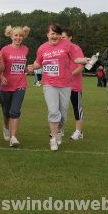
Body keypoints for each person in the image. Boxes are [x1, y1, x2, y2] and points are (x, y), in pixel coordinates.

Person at [28, 23, 88, 151]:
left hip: (66, 84)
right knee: (54, 111)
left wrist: (83, 60)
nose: (54, 36)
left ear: (60, 35)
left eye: (56, 33)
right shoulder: (42, 48)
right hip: (49, 84)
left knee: (63, 115)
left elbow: (75, 59)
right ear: (47, 34)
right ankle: (54, 138)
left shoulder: (67, 45)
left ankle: (59, 130)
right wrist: (32, 67)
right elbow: (38, 62)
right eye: (52, 33)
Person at [0, 25, 30, 147]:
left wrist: (28, 69)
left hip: (20, 84)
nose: (18, 38)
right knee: (6, 112)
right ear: (11, 36)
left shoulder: (25, 49)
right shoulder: (4, 50)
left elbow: (22, 66)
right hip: (6, 85)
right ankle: (6, 127)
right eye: (16, 35)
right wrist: (1, 77)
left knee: (15, 111)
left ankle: (13, 137)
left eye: (21, 36)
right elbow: (0, 66)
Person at [61, 28, 85, 140]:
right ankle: (59, 130)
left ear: (70, 37)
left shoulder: (76, 48)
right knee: (60, 108)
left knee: (77, 108)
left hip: (75, 85)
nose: (61, 39)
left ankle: (79, 132)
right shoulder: (60, 49)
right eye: (60, 37)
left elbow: (81, 66)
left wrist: (69, 75)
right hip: (62, 85)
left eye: (64, 37)